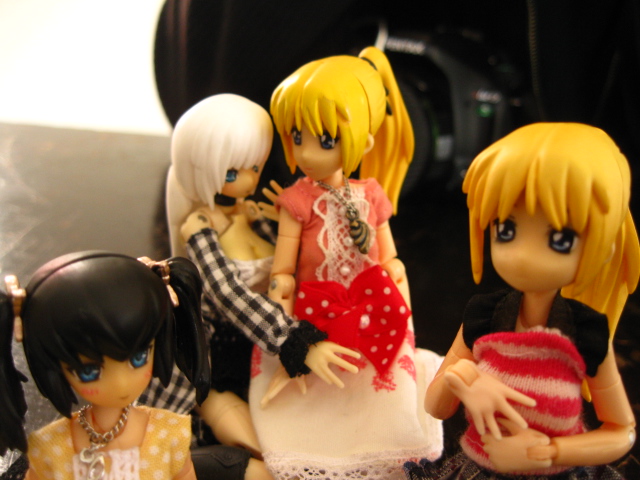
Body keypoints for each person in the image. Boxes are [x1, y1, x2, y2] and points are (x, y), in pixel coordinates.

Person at [249, 46, 443, 480]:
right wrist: (287, 334)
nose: (307, 152)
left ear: (364, 141)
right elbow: (283, 273)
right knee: (306, 407)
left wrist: (398, 300)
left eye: (325, 140)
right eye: (296, 136)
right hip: (313, 319)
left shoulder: (371, 194)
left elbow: (389, 258)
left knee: (384, 405)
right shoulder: (297, 200)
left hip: (372, 318)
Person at [408, 123, 639, 479]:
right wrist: (465, 377)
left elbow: (621, 431)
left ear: (604, 246)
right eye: (507, 230)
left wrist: (548, 452)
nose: (523, 256)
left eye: (560, 239)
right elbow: (436, 407)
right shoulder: (485, 316)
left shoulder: (585, 332)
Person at [0, 251, 210, 480]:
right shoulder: (51, 448)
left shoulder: (169, 434)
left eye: (139, 358)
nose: (121, 383)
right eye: (89, 371)